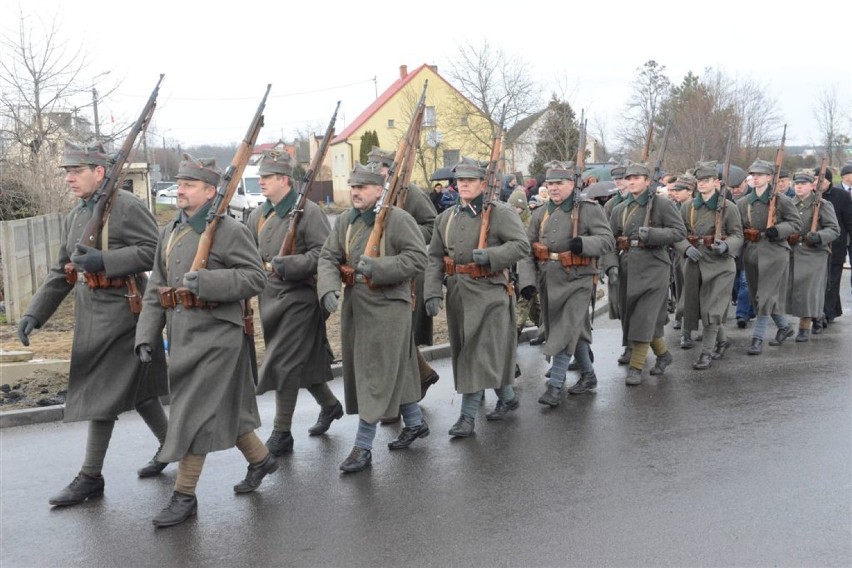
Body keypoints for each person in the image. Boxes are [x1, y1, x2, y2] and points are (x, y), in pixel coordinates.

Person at [17, 142, 170, 507]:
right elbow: (62, 270)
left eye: (76, 171)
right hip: (91, 312)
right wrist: (34, 314)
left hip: (125, 311)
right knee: (138, 389)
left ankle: (90, 477)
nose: (68, 178)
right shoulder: (77, 214)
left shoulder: (127, 207)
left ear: (99, 172)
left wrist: (107, 260)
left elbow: (156, 251)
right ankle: (172, 446)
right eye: (66, 171)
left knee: (103, 393)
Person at [135, 154, 274, 528]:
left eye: (189, 184)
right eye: (179, 184)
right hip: (180, 336)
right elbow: (155, 290)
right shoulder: (170, 230)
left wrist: (209, 282)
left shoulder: (229, 230)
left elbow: (255, 278)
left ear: (211, 191)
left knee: (192, 414)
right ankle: (262, 460)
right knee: (220, 408)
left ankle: (184, 496)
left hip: (217, 336)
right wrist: (146, 334)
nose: (179, 189)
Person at [316, 162, 428, 473]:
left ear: (379, 190)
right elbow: (328, 256)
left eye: (362, 187)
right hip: (356, 306)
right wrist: (327, 287)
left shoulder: (398, 219)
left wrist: (377, 267)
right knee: (396, 368)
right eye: (353, 186)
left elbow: (418, 259)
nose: (355, 192)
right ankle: (416, 423)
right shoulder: (345, 222)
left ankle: (363, 447)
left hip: (389, 306)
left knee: (375, 375)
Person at [245, 150, 342, 457]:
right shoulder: (257, 215)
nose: (260, 182)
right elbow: (248, 257)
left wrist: (289, 264)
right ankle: (330, 405)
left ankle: (281, 432)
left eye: (267, 177)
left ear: (284, 180)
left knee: (284, 363)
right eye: (260, 177)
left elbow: (324, 255)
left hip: (301, 299)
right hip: (270, 299)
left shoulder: (309, 212)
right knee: (304, 362)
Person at [424, 157, 530, 437]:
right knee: (471, 352)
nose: (464, 185)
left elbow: (521, 245)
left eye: (470, 180)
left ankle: (467, 418)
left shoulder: (499, 213)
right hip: (458, 294)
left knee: (476, 354)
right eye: (460, 181)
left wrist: (492, 256)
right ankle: (507, 397)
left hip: (490, 293)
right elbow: (434, 257)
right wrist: (432, 291)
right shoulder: (445, 218)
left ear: (483, 183)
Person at [518, 160, 614, 405]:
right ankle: (589, 375)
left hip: (579, 279)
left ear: (572, 184)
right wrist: (527, 282)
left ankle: (554, 386)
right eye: (550, 183)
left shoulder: (589, 210)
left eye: (559, 183)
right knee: (573, 330)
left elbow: (606, 241)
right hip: (549, 280)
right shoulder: (540, 213)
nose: (554, 188)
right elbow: (526, 250)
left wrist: (583, 244)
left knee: (564, 330)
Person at [366, 147, 440, 404]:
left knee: (400, 335)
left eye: (380, 168)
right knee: (392, 336)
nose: (375, 172)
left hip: (408, 272)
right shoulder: (371, 193)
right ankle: (422, 376)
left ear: (391, 169)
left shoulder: (410, 192)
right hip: (380, 273)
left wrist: (403, 235)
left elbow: (433, 225)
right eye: (371, 167)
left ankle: (405, 395)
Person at [609, 162, 687, 385]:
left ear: (647, 180)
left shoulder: (661, 205)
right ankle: (664, 355)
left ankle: (636, 366)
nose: (631, 181)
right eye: (628, 178)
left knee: (644, 316)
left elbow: (679, 232)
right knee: (635, 316)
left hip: (654, 266)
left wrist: (652, 234)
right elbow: (610, 241)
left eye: (636, 177)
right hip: (628, 267)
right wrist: (611, 266)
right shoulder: (619, 209)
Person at [673, 161, 743, 370]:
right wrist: (685, 248)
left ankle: (706, 352)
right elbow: (678, 234)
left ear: (716, 182)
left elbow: (737, 235)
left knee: (712, 309)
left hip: (721, 265)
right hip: (695, 262)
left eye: (706, 180)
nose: (702, 184)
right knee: (700, 308)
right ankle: (722, 340)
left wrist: (726, 246)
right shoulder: (688, 207)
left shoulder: (728, 207)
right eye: (699, 181)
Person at [735, 159, 802, 355]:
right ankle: (784, 326)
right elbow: (737, 228)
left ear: (769, 177)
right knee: (757, 295)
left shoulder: (782, 200)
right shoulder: (743, 202)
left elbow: (795, 223)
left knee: (764, 295)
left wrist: (778, 230)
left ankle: (757, 338)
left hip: (775, 252)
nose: (755, 178)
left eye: (760, 175)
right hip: (752, 251)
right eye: (753, 175)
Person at [786, 170, 839, 341]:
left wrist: (819, 236)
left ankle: (804, 326)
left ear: (812, 186)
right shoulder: (787, 204)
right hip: (793, 251)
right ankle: (818, 314)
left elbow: (834, 229)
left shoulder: (822, 204)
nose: (799, 187)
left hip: (815, 253)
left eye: (803, 184)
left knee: (808, 291)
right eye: (797, 184)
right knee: (795, 291)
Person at [600, 160, 632, 363]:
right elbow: (606, 237)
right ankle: (628, 343)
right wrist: (609, 265)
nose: (619, 183)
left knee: (640, 306)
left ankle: (636, 345)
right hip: (619, 258)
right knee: (621, 305)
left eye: (623, 178)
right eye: (617, 179)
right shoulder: (611, 205)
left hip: (642, 259)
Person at [815, 166, 852, 331]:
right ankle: (832, 309)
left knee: (832, 281)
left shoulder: (841, 196)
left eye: (822, 180)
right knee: (822, 281)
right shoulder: (811, 195)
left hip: (836, 246)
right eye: (816, 180)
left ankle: (826, 313)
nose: (818, 183)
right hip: (815, 246)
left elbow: (849, 221)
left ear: (830, 181)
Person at [667, 174, 696, 347]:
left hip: (694, 253)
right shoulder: (673, 207)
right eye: (674, 190)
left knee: (689, 292)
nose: (675, 193)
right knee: (680, 288)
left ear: (690, 191)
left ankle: (687, 330)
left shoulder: (693, 207)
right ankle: (680, 317)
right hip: (678, 254)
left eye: (680, 190)